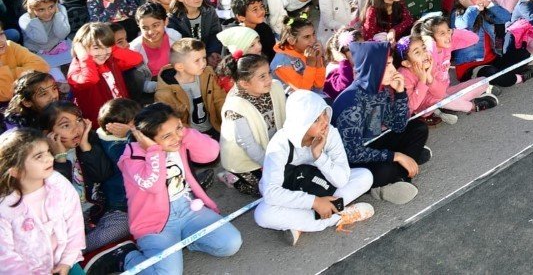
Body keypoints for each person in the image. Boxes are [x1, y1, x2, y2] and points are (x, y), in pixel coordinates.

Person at [119, 102, 242, 275]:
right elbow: (153, 186)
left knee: (230, 244)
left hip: (188, 208)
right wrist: (154, 151)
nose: (176, 137)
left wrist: (185, 132)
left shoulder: (179, 141)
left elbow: (211, 153)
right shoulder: (131, 156)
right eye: (167, 135)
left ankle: (184, 242)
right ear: (147, 138)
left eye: (178, 128)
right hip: (155, 223)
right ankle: (127, 257)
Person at [254, 89, 375, 244]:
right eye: (316, 119)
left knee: (365, 177)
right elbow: (271, 192)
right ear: (301, 123)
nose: (325, 121)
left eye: (324, 113)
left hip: (319, 185)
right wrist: (315, 202)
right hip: (292, 190)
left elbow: (342, 180)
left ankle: (301, 223)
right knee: (262, 214)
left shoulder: (330, 133)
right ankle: (339, 215)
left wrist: (319, 156)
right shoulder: (279, 145)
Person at [332, 40, 430, 206]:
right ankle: (393, 178)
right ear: (373, 68)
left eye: (392, 64)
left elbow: (398, 126)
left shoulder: (380, 88)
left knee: (419, 128)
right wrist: (396, 156)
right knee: (386, 169)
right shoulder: (351, 103)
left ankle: (400, 173)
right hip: (350, 160)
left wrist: (400, 93)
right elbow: (352, 153)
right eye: (388, 65)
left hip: (371, 144)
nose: (393, 70)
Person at [0, 127, 86, 275]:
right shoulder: (4, 207)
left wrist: (67, 261)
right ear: (15, 170)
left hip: (65, 262)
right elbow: (5, 257)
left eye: (48, 152)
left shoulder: (59, 184)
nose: (50, 158)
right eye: (39, 156)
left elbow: (75, 224)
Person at [217, 51, 286, 197]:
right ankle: (232, 177)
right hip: (247, 159)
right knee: (265, 190)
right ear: (244, 83)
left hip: (273, 148)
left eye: (269, 73)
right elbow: (247, 144)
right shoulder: (235, 106)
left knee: (289, 179)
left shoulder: (274, 88)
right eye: (262, 76)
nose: (269, 79)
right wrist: (269, 164)